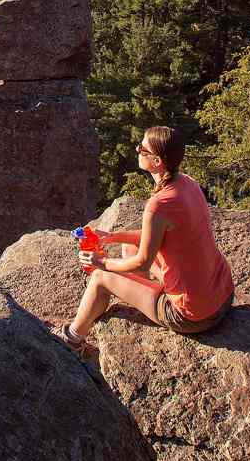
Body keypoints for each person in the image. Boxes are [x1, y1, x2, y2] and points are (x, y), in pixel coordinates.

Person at [58, 126, 233, 349]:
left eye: (142, 148)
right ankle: (142, 295)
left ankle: (72, 339)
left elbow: (144, 261)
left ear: (158, 161)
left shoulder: (159, 205)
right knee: (128, 248)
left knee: (100, 279)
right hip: (223, 294)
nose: (137, 149)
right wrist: (112, 237)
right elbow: (154, 238)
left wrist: (101, 263)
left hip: (193, 315)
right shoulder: (187, 183)